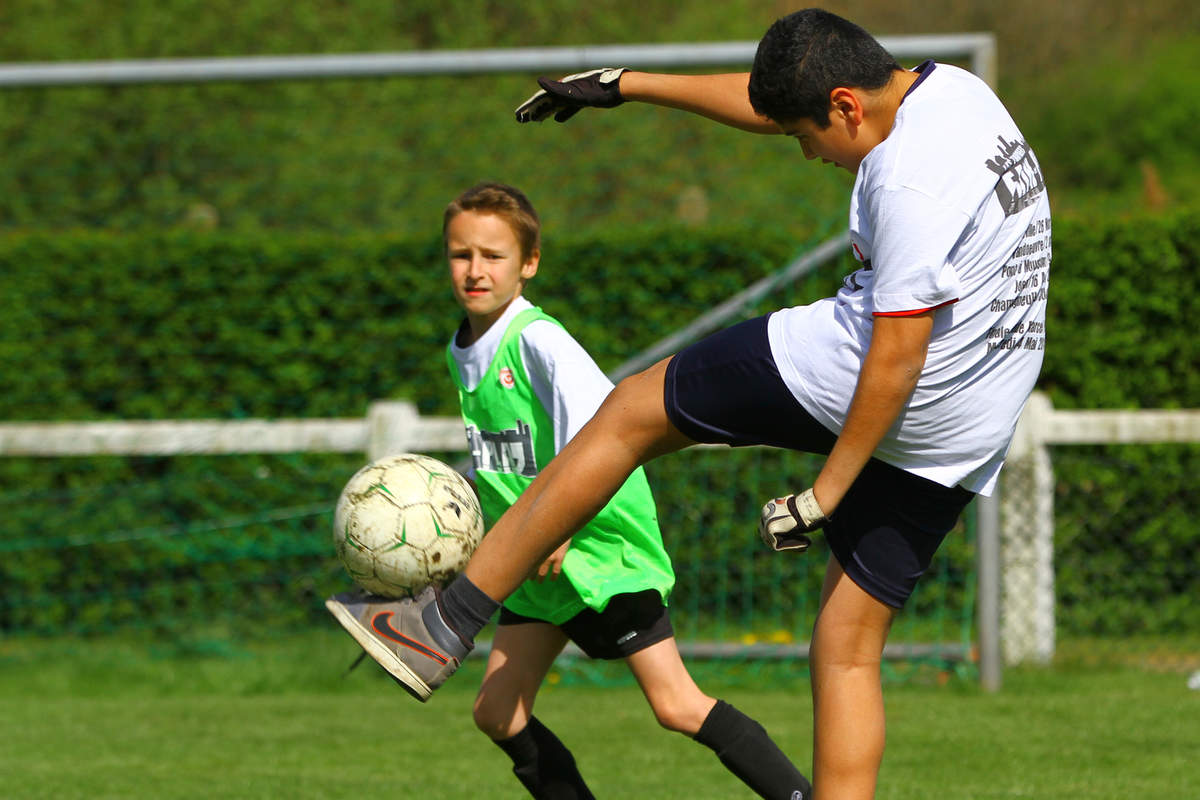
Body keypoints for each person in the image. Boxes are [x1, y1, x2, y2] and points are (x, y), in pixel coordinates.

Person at [328, 8, 1051, 799]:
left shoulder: (904, 175)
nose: (807, 153)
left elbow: (897, 352)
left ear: (845, 105)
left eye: (806, 135)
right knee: (846, 642)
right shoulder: (957, 97)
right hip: (979, 408)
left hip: (901, 372)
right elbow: (781, 106)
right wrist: (627, 85)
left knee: (632, 410)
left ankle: (443, 623)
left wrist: (825, 494)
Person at [327, 181, 812, 799]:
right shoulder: (462, 348)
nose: (475, 270)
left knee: (676, 705)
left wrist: (564, 525)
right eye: (460, 254)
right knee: (496, 711)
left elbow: (601, 434)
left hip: (599, 546)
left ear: (528, 264)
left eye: (493, 256)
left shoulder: (537, 340)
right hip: (535, 558)